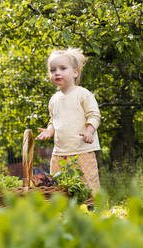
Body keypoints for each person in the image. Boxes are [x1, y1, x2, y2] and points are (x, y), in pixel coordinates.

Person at [36, 47, 101, 194]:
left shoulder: (82, 94)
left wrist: (89, 131)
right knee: (59, 185)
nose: (57, 72)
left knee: (88, 183)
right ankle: (64, 211)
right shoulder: (54, 100)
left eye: (62, 68)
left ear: (75, 72)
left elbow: (94, 115)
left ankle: (93, 209)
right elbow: (54, 120)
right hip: (60, 152)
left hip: (82, 150)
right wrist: (49, 131)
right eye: (53, 70)